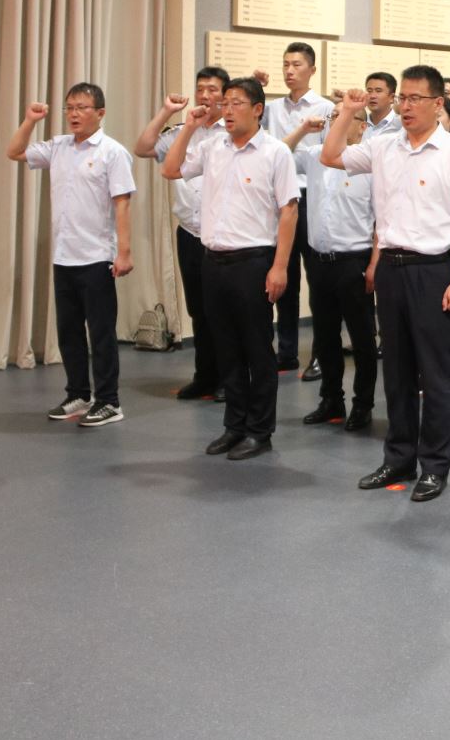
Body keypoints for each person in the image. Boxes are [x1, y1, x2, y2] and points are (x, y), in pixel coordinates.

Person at [321, 65, 450, 503]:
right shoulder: (383, 147)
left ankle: (434, 466)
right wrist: (347, 112)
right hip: (391, 270)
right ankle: (398, 458)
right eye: (402, 99)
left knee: (436, 375)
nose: (405, 106)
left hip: (434, 271)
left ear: (437, 103)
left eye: (415, 99)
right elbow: (330, 156)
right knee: (395, 371)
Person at [162, 77, 299, 460]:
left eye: (236, 103)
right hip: (214, 261)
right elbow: (170, 170)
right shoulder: (212, 147)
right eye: (225, 103)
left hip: (253, 262)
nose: (227, 110)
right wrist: (189, 126)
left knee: (257, 350)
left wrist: (280, 267)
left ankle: (260, 430)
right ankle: (234, 425)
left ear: (257, 109)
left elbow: (289, 211)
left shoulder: (275, 152)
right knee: (226, 349)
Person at [7, 82, 135, 428]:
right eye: (70, 108)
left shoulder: (113, 152)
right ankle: (78, 394)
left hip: (97, 256)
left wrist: (124, 252)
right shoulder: (59, 147)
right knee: (68, 332)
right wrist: (30, 120)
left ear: (100, 113)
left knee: (101, 333)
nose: (74, 114)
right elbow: (15, 152)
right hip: (64, 255)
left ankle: (109, 401)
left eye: (82, 108)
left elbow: (122, 203)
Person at [133, 67, 228, 402]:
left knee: (222, 312)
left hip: (223, 237)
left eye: (213, 89)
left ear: (225, 96)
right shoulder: (181, 131)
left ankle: (228, 379)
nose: (205, 95)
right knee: (198, 311)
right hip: (189, 233)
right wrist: (167, 112)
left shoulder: (232, 134)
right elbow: (143, 147)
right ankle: (205, 376)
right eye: (201, 89)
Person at [284, 110, 379, 432]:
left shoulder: (370, 163)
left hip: (354, 261)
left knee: (362, 340)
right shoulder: (314, 155)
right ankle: (331, 400)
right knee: (325, 337)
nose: (336, 120)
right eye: (334, 115)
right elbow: (279, 153)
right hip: (319, 261)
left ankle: (363, 404)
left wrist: (374, 265)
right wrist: (302, 129)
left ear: (362, 127)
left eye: (346, 116)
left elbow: (383, 219)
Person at [260, 43, 333, 375]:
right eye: (286, 64)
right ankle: (286, 351)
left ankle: (321, 353)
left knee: (318, 279)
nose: (290, 71)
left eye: (297, 65)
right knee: (284, 277)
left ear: (312, 70)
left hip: (312, 197)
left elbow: (331, 154)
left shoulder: (326, 108)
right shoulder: (272, 108)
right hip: (281, 200)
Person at [363, 72, 401, 140]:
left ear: (391, 98)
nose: (372, 96)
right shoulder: (359, 123)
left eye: (378, 91)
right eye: (369, 91)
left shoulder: (401, 125)